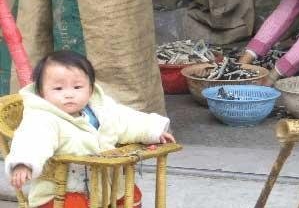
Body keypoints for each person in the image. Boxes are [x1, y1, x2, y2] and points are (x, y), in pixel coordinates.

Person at [4, 50, 175, 208]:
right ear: (42, 93)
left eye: (77, 87)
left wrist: (153, 132)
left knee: (131, 195)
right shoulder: (43, 118)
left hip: (105, 183)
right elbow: (32, 139)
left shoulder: (101, 109)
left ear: (90, 89)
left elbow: (127, 121)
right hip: (64, 189)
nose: (69, 94)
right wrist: (23, 163)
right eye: (58, 88)